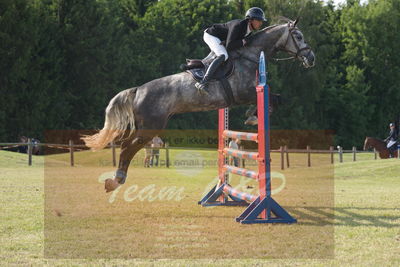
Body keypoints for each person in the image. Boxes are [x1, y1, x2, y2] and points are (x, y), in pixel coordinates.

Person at [195, 7, 267, 95]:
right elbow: (230, 46)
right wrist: (242, 42)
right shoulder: (239, 25)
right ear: (251, 20)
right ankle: (202, 82)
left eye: (261, 21)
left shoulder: (249, 31)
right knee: (223, 55)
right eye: (259, 20)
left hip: (220, 40)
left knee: (225, 55)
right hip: (211, 35)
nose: (261, 23)